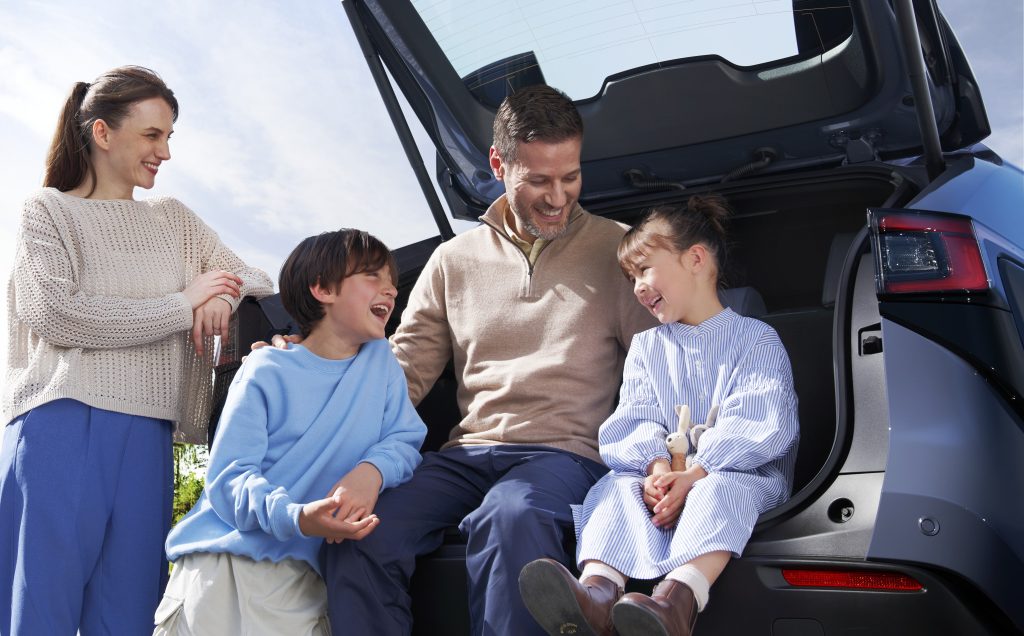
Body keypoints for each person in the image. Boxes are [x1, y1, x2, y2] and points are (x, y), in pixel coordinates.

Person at [309, 85, 656, 634]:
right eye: (538, 180)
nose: (558, 197)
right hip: (467, 455)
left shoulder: (619, 251)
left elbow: (660, 368)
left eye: (571, 177)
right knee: (360, 532)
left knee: (510, 514)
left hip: (565, 454)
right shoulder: (454, 259)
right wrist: (308, 373)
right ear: (499, 165)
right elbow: (405, 368)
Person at [0, 66, 274, 635]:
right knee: (41, 611)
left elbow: (257, 278)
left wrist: (220, 294)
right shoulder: (47, 211)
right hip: (62, 422)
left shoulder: (173, 220)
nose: (165, 152)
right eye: (153, 135)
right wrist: (182, 304)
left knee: (129, 614)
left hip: (150, 431)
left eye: (170, 136)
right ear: (103, 133)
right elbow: (57, 314)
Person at [518, 196, 800, 636]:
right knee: (617, 487)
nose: (637, 286)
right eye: (630, 277)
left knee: (720, 489)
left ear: (696, 259)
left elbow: (759, 421)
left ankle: (677, 602)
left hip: (740, 475)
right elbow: (637, 415)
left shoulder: (755, 339)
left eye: (645, 269)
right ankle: (597, 594)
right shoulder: (648, 348)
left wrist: (694, 475)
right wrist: (657, 469)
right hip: (668, 478)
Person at [153, 229, 427, 634]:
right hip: (222, 571)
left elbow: (404, 440)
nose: (390, 289)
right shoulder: (265, 370)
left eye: (391, 280)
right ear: (322, 288)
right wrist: (297, 518)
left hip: (302, 584)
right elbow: (228, 480)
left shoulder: (381, 365)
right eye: (372, 276)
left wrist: (373, 470)